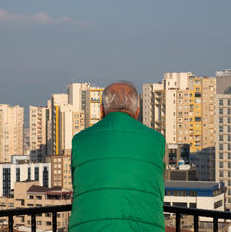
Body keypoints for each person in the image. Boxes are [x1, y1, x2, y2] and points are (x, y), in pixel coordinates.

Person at [69, 82, 165, 232]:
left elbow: (77, 185)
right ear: (137, 112)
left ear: (101, 111)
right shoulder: (156, 140)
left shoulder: (80, 140)